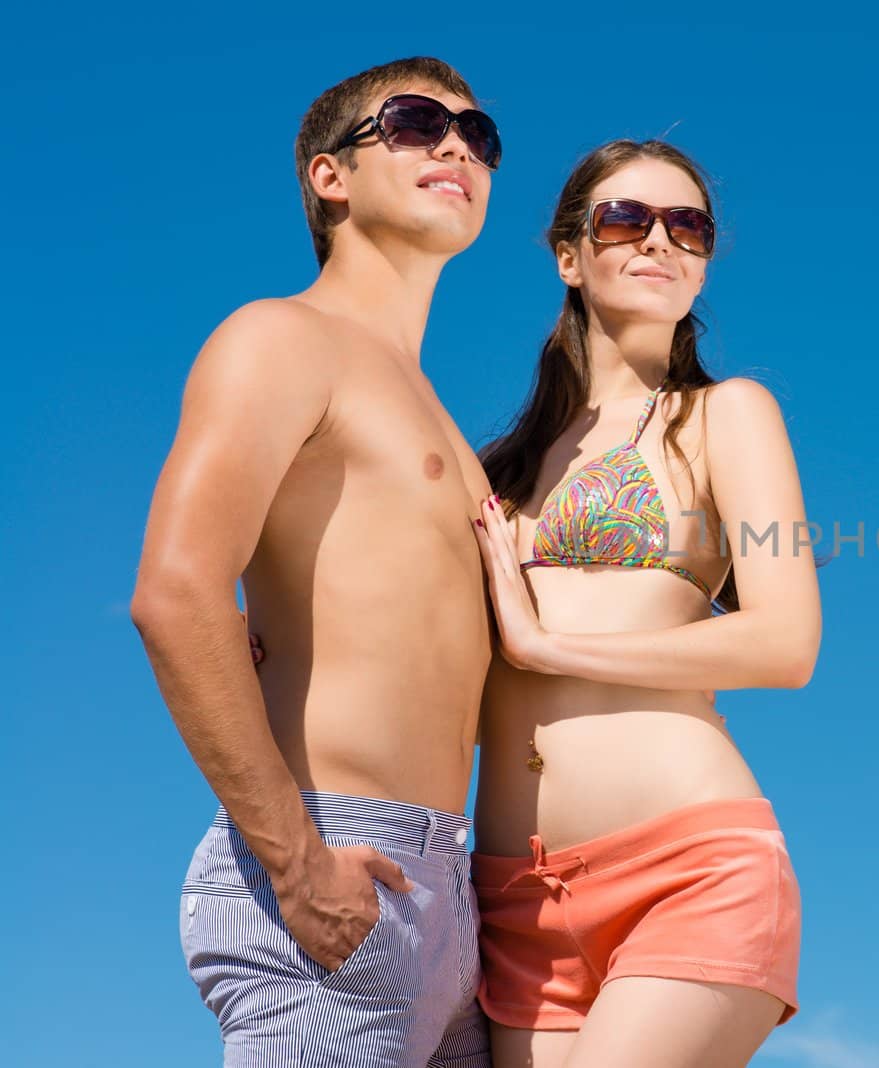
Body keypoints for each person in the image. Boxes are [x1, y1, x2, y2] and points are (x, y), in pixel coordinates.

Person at [130, 56, 502, 1067]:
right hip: (335, 865)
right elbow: (175, 593)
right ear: (328, 177)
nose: (457, 145)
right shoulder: (281, 338)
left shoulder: (446, 427)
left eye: (480, 135)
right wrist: (297, 867)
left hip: (446, 894)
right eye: (420, 123)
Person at [469, 140, 822, 1068]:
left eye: (689, 227)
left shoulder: (723, 414)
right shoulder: (493, 474)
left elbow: (785, 644)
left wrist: (548, 645)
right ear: (569, 255)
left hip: (691, 871)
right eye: (627, 220)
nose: (660, 241)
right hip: (516, 902)